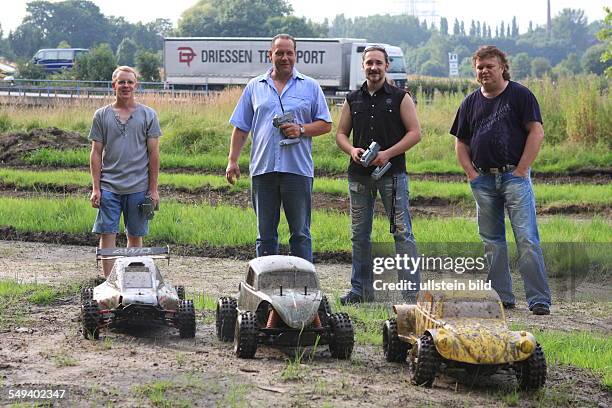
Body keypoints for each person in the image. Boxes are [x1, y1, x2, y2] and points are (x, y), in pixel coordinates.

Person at [450, 45, 551, 315]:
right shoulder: (470, 102)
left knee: (527, 238)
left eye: (489, 66)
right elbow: (460, 142)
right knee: (492, 242)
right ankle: (501, 297)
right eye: (480, 67)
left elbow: (536, 132)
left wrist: (521, 170)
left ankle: (538, 299)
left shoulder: (520, 95)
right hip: (483, 180)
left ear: (502, 67)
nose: (484, 71)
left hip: (513, 178)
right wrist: (471, 174)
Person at [226, 34, 332, 262]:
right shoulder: (255, 86)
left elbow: (326, 124)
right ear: (270, 55)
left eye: (289, 53)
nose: (285, 57)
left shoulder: (311, 87)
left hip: (297, 170)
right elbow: (241, 127)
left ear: (296, 55)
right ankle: (266, 288)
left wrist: (301, 129)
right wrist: (232, 160)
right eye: (279, 53)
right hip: (263, 170)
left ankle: (305, 289)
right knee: (265, 236)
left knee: (300, 234)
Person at [336, 45, 421, 304]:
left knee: (401, 232)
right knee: (359, 234)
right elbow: (340, 134)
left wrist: (388, 154)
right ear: (363, 66)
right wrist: (352, 150)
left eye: (379, 63)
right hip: (359, 176)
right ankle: (360, 291)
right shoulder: (352, 99)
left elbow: (415, 133)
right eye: (369, 63)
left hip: (392, 175)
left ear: (386, 66)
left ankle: (411, 295)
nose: (374, 67)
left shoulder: (400, 97)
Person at [89, 65, 162, 277]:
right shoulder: (101, 115)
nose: (126, 86)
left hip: (138, 188)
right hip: (109, 187)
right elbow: (95, 153)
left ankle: (133, 281)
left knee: (135, 235)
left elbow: (154, 154)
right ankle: (109, 284)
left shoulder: (148, 115)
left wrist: (153, 189)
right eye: (121, 82)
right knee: (108, 233)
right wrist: (96, 188)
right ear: (114, 85)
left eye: (130, 82)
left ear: (136, 85)